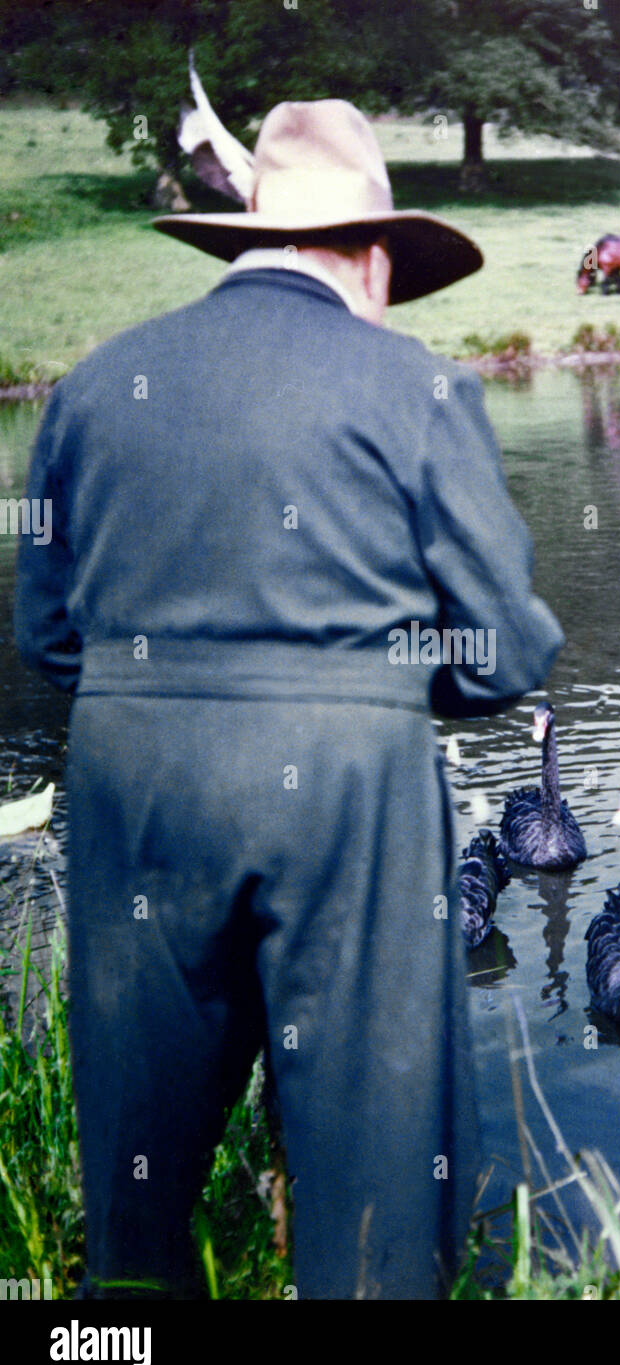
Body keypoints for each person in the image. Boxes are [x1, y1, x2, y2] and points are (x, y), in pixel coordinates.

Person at [14, 80, 563, 1299]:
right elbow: (504, 652)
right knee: (373, 1193)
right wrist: (363, 684)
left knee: (136, 1188)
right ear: (372, 259)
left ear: (250, 241)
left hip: (133, 783)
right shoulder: (413, 388)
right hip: (345, 802)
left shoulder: (96, 386)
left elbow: (47, 636)